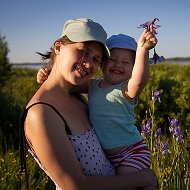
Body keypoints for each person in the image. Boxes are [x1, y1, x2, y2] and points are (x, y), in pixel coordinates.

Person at [20, 18, 158, 190]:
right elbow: (74, 185)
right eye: (83, 51)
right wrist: (142, 179)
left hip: (129, 156)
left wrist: (143, 51)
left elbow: (137, 83)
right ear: (58, 47)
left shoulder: (77, 94)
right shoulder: (41, 113)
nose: (88, 64)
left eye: (96, 59)